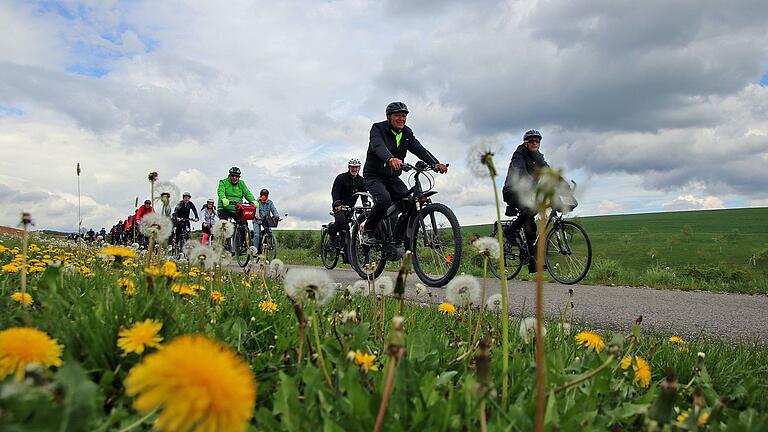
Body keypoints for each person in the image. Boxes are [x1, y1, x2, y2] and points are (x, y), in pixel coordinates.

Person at [361, 101, 448, 245]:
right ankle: (368, 230)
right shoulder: (378, 128)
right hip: (374, 176)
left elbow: (419, 148)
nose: (401, 119)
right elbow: (378, 146)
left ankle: (398, 238)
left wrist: (435, 163)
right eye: (397, 116)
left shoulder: (407, 132)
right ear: (389, 117)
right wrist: (389, 158)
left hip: (393, 177)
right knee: (384, 200)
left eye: (404, 116)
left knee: (408, 202)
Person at [502, 129, 550, 273]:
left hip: (527, 192)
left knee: (531, 227)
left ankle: (532, 263)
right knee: (529, 209)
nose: (535, 143)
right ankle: (510, 231)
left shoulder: (539, 158)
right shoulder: (519, 154)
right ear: (526, 143)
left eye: (537, 141)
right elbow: (520, 171)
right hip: (512, 191)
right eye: (531, 141)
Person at [329, 158, 367, 247]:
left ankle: (347, 252)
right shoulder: (341, 178)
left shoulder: (361, 181)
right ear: (349, 167)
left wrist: (365, 204)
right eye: (352, 167)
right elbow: (335, 192)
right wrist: (337, 203)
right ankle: (332, 233)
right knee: (340, 221)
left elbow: (364, 194)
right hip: (339, 206)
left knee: (349, 227)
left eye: (356, 167)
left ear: (359, 168)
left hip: (351, 207)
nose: (354, 169)